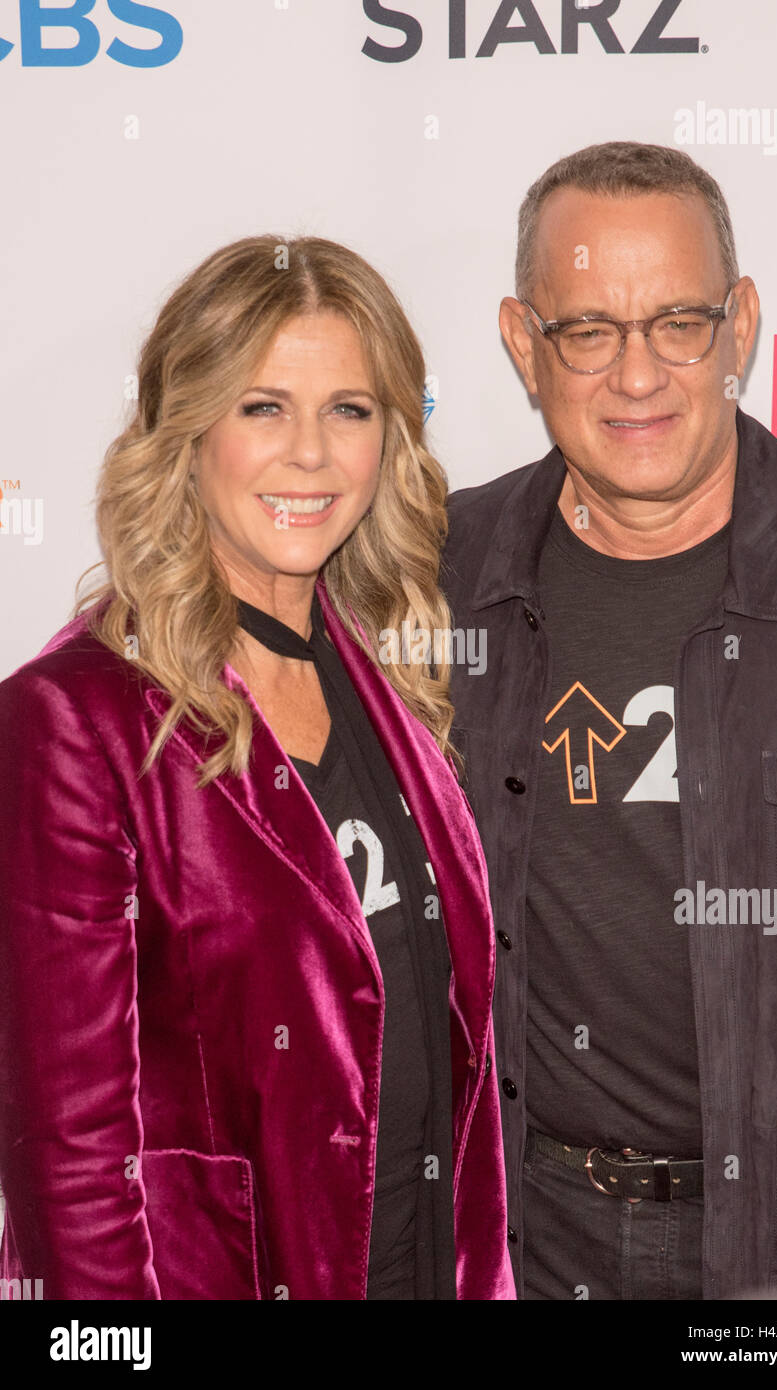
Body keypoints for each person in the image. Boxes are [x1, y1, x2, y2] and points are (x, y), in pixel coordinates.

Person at [0, 234, 514, 1302]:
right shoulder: (72, 722)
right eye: (263, 407)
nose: (312, 456)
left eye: (350, 410)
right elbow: (71, 1159)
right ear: (186, 434)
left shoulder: (389, 696)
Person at [441, 141, 777, 1301]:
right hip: (524, 1240)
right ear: (524, 344)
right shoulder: (432, 572)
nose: (637, 376)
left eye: (676, 321)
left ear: (739, 326)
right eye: (587, 330)